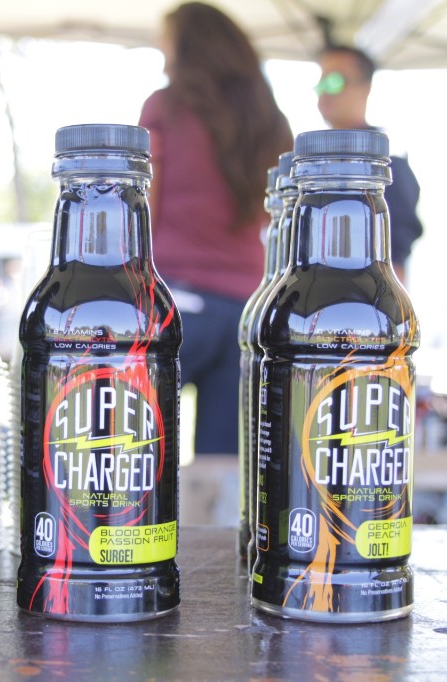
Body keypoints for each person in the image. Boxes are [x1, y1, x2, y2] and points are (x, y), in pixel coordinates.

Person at [139, 2, 294, 455]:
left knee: (129, 442)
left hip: (175, 302)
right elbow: (274, 213)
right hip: (246, 309)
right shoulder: (270, 120)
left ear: (188, 46)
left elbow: (144, 202)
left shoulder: (165, 107)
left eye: (165, 43)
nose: (162, 55)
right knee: (225, 465)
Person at [316, 44, 423, 283]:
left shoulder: (386, 164)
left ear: (365, 88)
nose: (324, 91)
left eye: (334, 82)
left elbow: (396, 259)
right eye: (320, 82)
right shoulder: (314, 164)